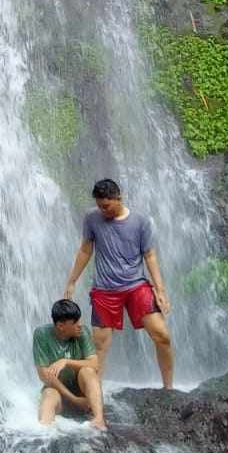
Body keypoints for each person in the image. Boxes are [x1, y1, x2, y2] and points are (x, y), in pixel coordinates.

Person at [64, 177, 174, 388]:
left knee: (162, 335)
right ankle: (95, 398)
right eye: (99, 206)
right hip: (104, 289)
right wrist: (72, 281)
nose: (102, 211)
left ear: (118, 198)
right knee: (99, 346)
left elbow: (149, 256)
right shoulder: (92, 218)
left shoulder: (141, 221)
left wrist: (160, 290)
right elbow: (86, 249)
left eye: (106, 206)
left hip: (136, 286)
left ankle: (169, 390)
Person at [33, 298, 106, 429]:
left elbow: (95, 364)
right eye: (75, 322)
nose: (80, 324)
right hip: (61, 398)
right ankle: (44, 435)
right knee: (49, 393)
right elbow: (44, 376)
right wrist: (74, 400)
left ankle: (99, 420)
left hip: (85, 398)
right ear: (61, 326)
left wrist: (66, 361)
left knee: (87, 371)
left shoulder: (82, 332)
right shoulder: (41, 334)